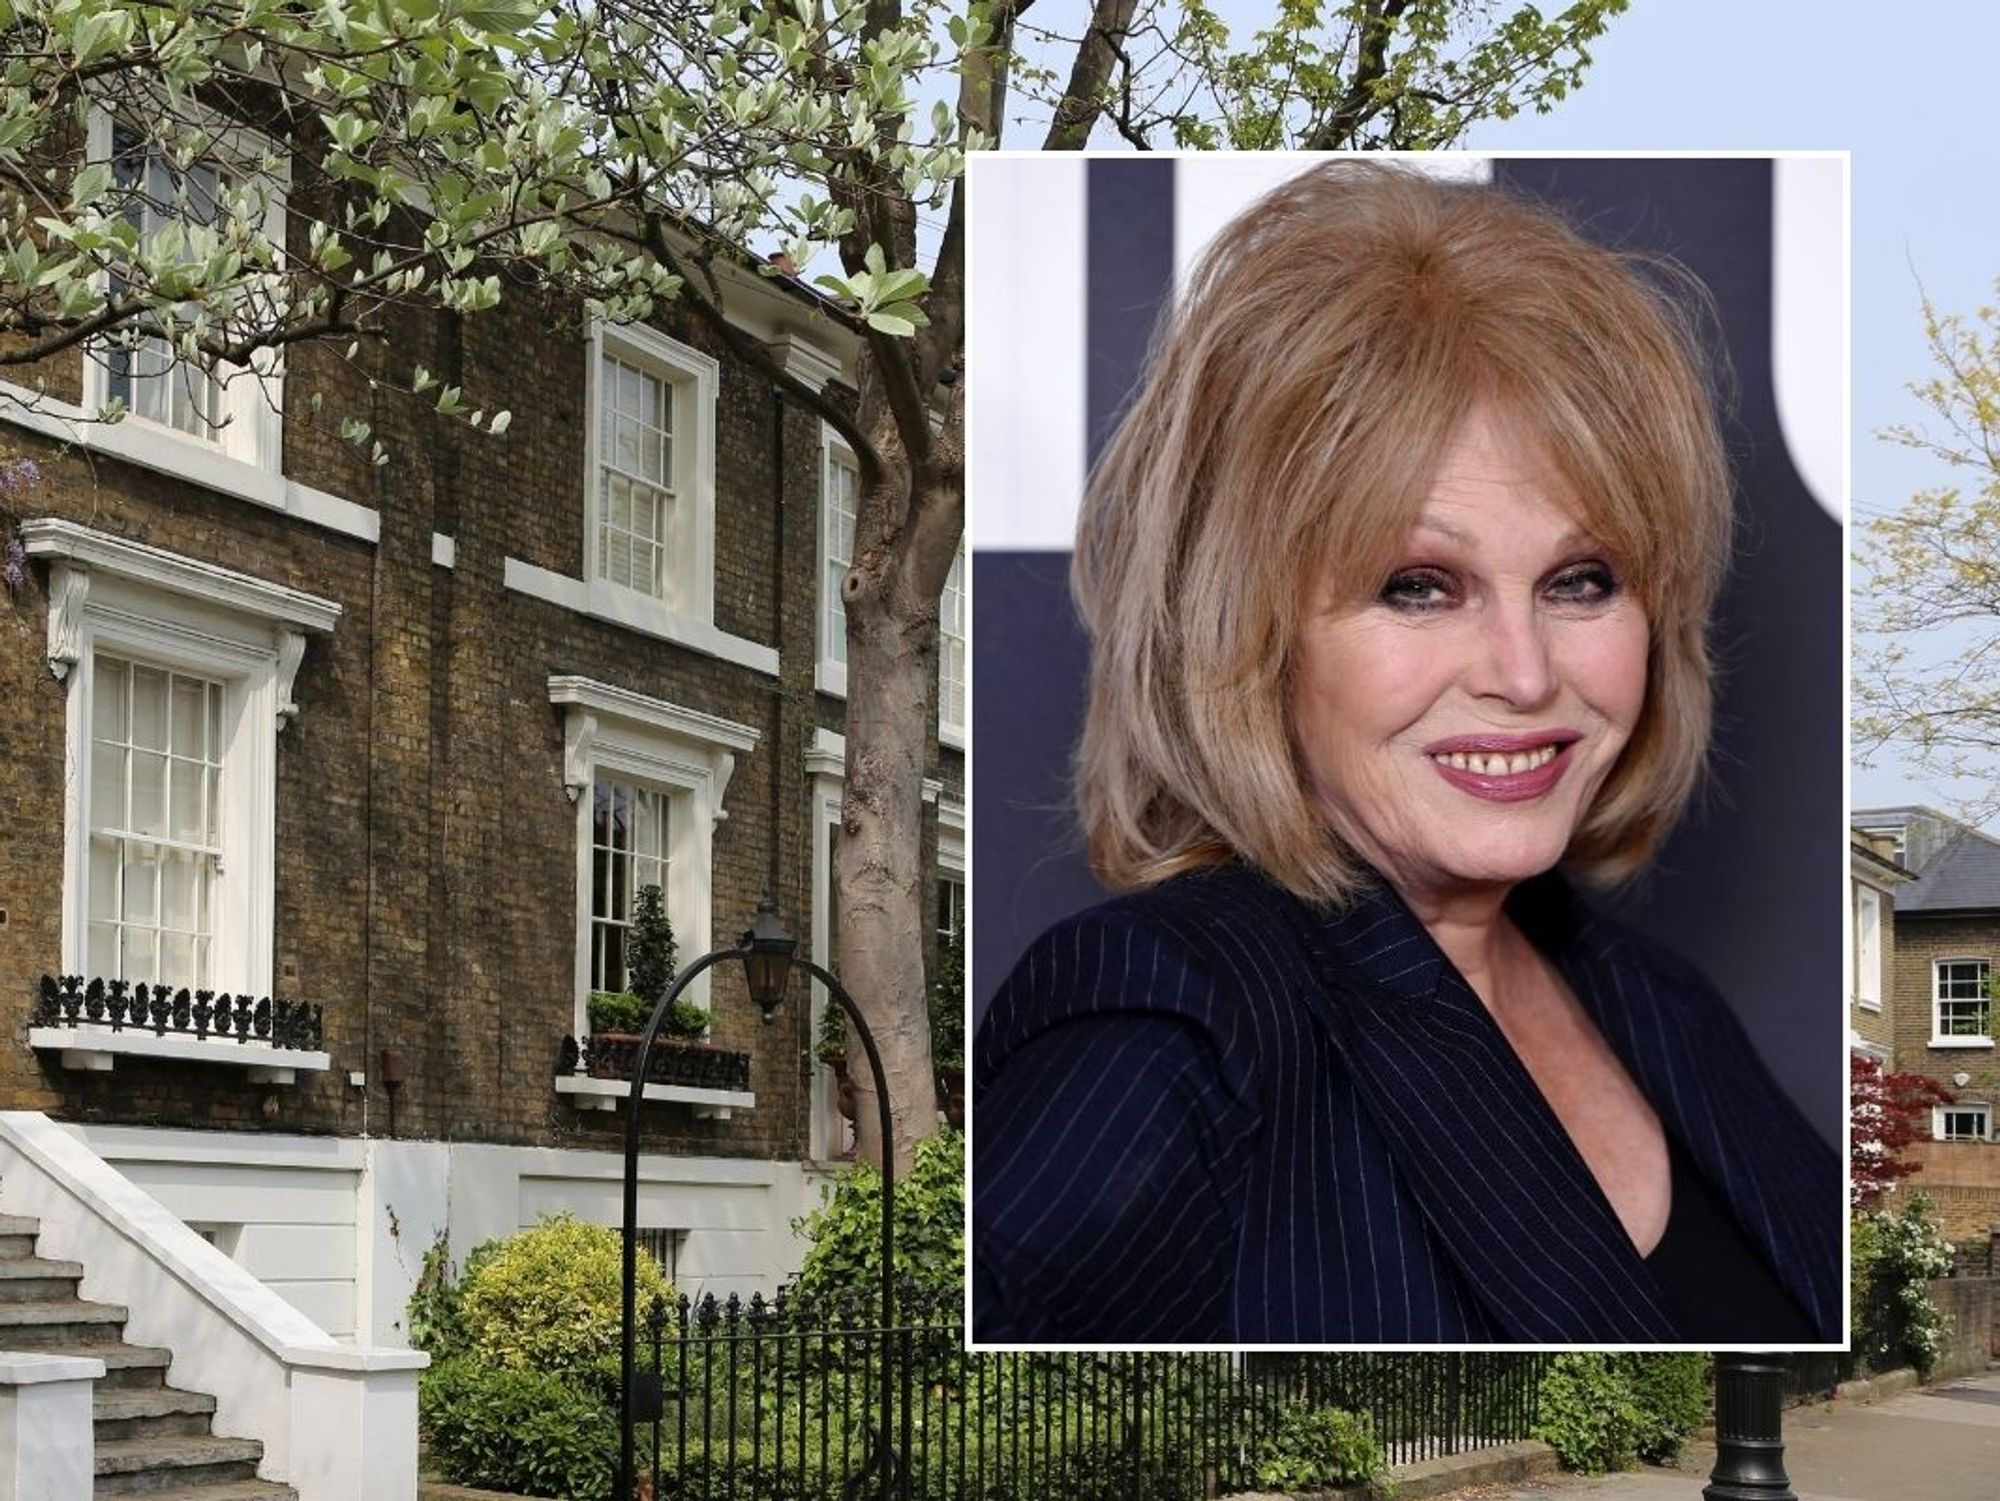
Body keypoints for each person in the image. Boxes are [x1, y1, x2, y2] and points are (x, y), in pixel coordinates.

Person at [971, 163, 1841, 1345]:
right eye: (1418, 586)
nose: (1523, 674)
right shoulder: (1160, 1030)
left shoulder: (1657, 1006)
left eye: (1580, 580)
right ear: (1246, 631)